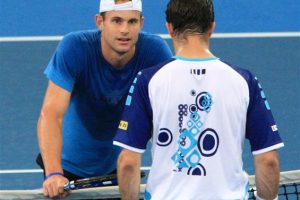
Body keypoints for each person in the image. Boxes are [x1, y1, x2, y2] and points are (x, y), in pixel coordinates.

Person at [113, 0, 284, 199]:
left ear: (169, 28)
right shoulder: (244, 81)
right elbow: (269, 160)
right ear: (212, 27)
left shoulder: (148, 81)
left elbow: (128, 163)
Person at [36, 0, 172, 198]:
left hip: (120, 171)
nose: (124, 30)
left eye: (132, 22)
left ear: (141, 24)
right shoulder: (75, 47)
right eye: (117, 21)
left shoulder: (155, 52)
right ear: (100, 22)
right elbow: (50, 115)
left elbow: (167, 116)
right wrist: (54, 173)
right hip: (65, 170)